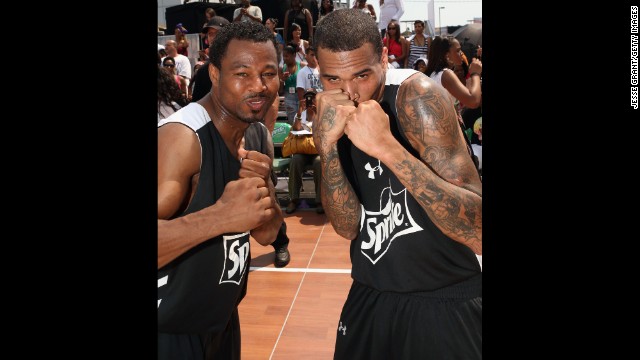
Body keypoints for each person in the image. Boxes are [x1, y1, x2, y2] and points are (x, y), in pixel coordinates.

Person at [311, 9, 482, 359]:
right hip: (371, 292)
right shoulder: (332, 109)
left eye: (362, 74)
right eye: (332, 79)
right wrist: (326, 148)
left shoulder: (416, 98)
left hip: (443, 298)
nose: (349, 92)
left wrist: (388, 149)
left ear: (385, 58)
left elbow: (478, 230)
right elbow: (346, 227)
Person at [157, 21, 284, 359]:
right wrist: (220, 216)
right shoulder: (182, 139)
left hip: (220, 323)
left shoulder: (256, 134)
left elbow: (268, 235)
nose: (258, 86)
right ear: (214, 74)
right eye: (242, 73)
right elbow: (225, 218)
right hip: (168, 334)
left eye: (268, 73)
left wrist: (265, 196)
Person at [191, 16, 230, 102]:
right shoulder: (203, 71)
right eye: (210, 34)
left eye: (217, 33)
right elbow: (197, 105)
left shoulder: (241, 65)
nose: (213, 37)